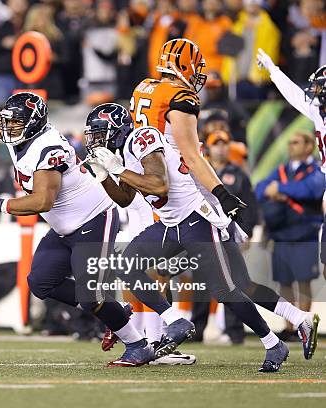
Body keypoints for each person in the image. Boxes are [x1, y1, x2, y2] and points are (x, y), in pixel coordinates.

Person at [0, 56, 155, 366]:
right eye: (9, 122)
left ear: (33, 123)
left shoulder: (48, 147)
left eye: (15, 122)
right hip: (65, 228)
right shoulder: (21, 134)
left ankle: (138, 344)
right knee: (41, 282)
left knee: (90, 297)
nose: (7, 127)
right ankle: (116, 313)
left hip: (93, 219)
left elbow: (43, 201)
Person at [127, 38, 318, 367]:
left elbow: (186, 158)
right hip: (179, 209)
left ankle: (276, 339)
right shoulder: (180, 98)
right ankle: (290, 322)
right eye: (197, 65)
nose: (200, 74)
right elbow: (189, 157)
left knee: (229, 287)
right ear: (184, 66)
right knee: (136, 267)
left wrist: (222, 202)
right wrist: (223, 197)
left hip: (189, 212)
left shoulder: (144, 88)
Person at [85, 102, 288, 372]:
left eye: (99, 134)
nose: (96, 141)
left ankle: (273, 343)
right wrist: (104, 176)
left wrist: (119, 170)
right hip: (170, 225)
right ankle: (175, 320)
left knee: (225, 290)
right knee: (127, 264)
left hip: (196, 220)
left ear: (116, 130)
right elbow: (124, 198)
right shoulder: (121, 152)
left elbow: (160, 185)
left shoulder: (141, 138)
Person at [256, 50, 326, 271]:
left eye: (319, 87)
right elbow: (295, 95)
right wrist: (273, 71)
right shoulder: (318, 111)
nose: (313, 92)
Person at [191, 130, 259, 344]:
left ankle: (234, 331)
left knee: (233, 283)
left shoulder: (238, 174)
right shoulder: (198, 170)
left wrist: (246, 231)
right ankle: (197, 329)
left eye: (224, 143)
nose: (221, 147)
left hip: (228, 233)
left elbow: (249, 205)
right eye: (216, 143)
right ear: (208, 148)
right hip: (203, 234)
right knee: (200, 283)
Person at [256, 131, 323, 340]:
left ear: (308, 146)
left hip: (305, 233)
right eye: (290, 143)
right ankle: (290, 326)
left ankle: (305, 325)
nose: (291, 146)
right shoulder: (282, 169)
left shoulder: (317, 169)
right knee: (284, 281)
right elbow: (260, 188)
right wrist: (281, 190)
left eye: (296, 143)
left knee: (303, 281)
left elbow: (311, 190)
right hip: (282, 232)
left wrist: (281, 190)